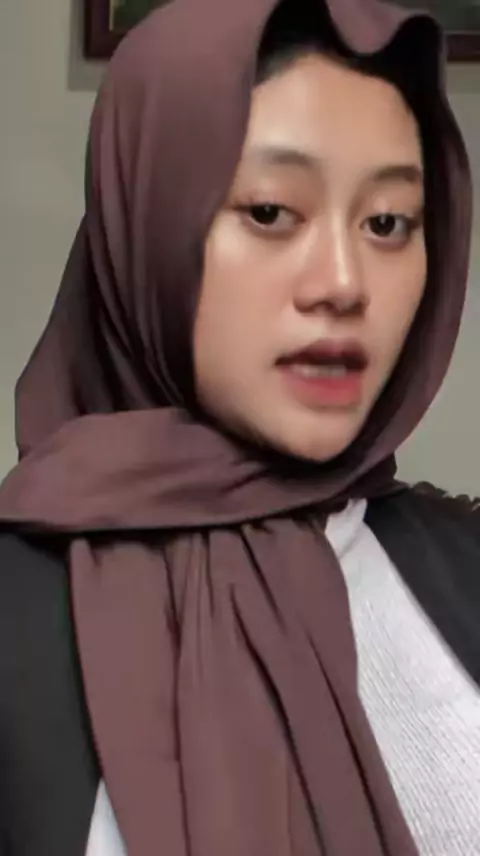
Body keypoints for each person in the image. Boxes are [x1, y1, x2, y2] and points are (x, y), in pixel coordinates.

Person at [0, 0, 477, 853]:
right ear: (147, 222)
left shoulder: (464, 563)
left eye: (387, 223)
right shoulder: (16, 606)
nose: (343, 283)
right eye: (269, 212)